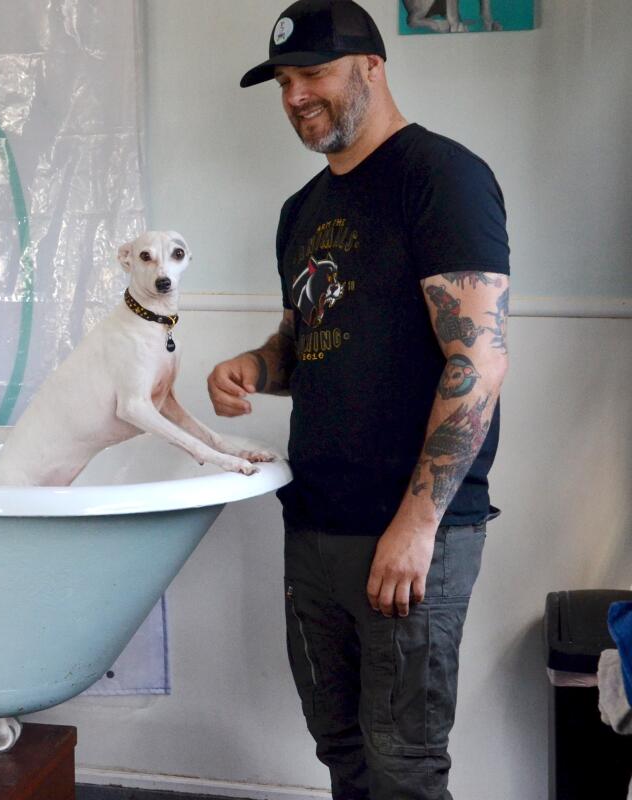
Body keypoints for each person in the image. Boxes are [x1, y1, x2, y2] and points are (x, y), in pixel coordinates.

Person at [208, 1, 510, 798]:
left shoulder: (441, 178)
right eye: (282, 80)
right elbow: (303, 345)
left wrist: (417, 523)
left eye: (312, 74)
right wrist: (253, 365)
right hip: (313, 523)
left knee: (404, 764)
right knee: (341, 748)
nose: (294, 96)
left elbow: (477, 360)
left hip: (411, 531)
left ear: (371, 67)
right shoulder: (300, 211)